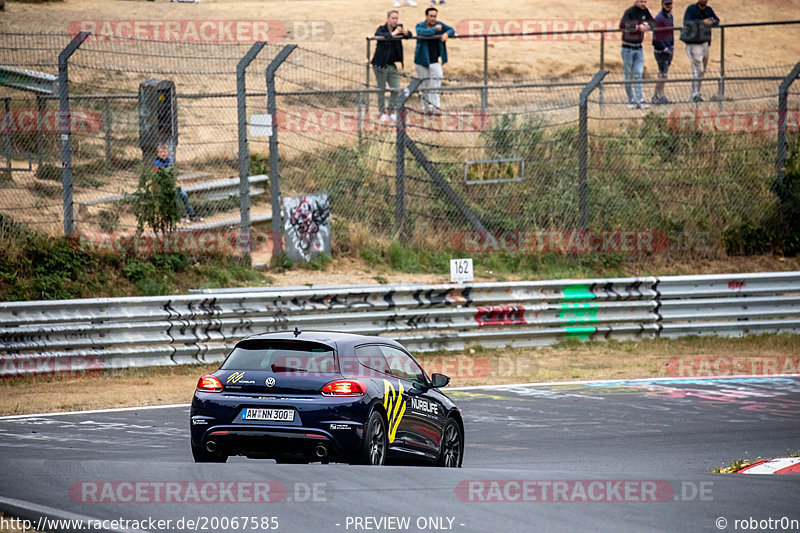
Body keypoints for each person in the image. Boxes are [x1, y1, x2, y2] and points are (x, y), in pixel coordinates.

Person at [372, 10, 413, 124]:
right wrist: (394, 33)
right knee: (381, 89)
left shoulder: (399, 29)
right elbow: (379, 36)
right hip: (380, 64)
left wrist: (404, 32)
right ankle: (382, 113)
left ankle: (391, 112)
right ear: (388, 18)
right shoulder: (382, 29)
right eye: (393, 18)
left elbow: (410, 35)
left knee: (395, 89)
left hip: (392, 64)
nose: (395, 21)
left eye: (396, 18)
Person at [414, 7, 455, 116]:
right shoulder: (421, 26)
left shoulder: (439, 25)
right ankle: (426, 109)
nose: (433, 18)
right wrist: (436, 30)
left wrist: (447, 34)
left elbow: (451, 29)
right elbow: (421, 32)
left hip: (435, 61)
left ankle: (436, 109)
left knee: (435, 85)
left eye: (435, 16)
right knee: (425, 87)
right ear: (426, 16)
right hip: (422, 62)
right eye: (431, 16)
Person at [681, 0, 720, 102]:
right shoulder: (691, 9)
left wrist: (712, 22)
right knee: (698, 70)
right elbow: (686, 23)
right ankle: (694, 95)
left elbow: (717, 20)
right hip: (694, 43)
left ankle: (696, 93)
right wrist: (702, 22)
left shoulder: (708, 10)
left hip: (705, 43)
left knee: (702, 70)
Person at [619, 0, 655, 110]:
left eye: (645, 1)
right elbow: (622, 26)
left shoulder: (645, 12)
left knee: (638, 74)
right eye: (641, 1)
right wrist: (637, 27)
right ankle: (631, 99)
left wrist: (648, 26)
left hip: (639, 47)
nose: (643, 4)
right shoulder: (629, 12)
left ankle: (640, 100)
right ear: (636, 2)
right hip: (627, 48)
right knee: (628, 75)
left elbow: (654, 23)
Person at [152, 144, 202, 223]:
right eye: (161, 152)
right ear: (158, 154)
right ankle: (179, 216)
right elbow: (155, 179)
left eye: (165, 152)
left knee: (184, 195)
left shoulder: (169, 161)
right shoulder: (157, 164)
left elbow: (173, 175)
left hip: (171, 186)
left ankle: (192, 215)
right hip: (162, 187)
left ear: (168, 153)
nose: (163, 154)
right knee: (175, 196)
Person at [651, 0, 674, 104]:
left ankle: (659, 96)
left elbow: (671, 32)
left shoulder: (670, 17)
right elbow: (656, 36)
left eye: (670, 4)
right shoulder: (659, 18)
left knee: (664, 74)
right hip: (661, 51)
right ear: (662, 5)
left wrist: (672, 45)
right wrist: (664, 48)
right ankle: (657, 96)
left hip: (669, 48)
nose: (669, 6)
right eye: (666, 4)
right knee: (662, 74)